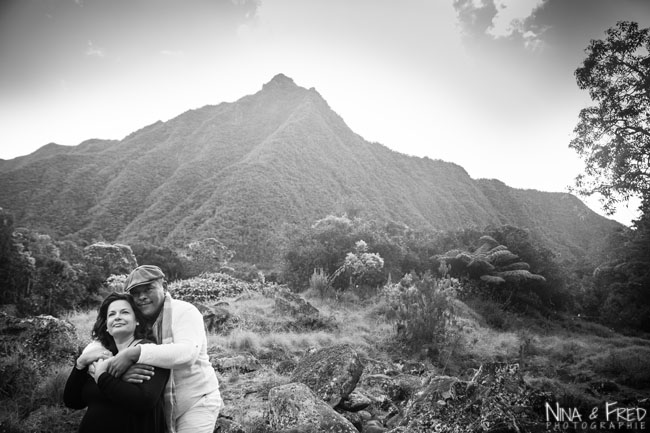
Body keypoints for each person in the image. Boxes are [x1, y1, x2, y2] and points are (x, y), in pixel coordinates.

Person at [106, 265, 222, 433]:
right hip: (160, 408)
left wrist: (134, 354)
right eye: (136, 293)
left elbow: (187, 353)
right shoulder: (137, 320)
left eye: (148, 289)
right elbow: (106, 341)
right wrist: (120, 371)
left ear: (165, 287)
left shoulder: (184, 311)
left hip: (197, 401)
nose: (142, 297)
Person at [63, 292, 169, 433]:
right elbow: (73, 401)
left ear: (137, 320)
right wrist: (80, 365)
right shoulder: (100, 353)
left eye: (124, 312)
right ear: (107, 325)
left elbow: (144, 401)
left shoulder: (148, 352)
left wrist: (102, 376)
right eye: (111, 314)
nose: (117, 317)